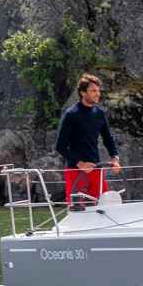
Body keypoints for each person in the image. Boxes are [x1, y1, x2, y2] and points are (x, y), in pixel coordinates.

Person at [55, 73, 120, 206]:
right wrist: (80, 164)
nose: (98, 94)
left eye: (98, 91)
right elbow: (60, 145)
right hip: (75, 170)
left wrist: (115, 158)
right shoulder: (71, 114)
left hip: (96, 169)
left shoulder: (99, 113)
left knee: (106, 207)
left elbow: (108, 138)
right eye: (93, 91)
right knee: (75, 209)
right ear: (83, 93)